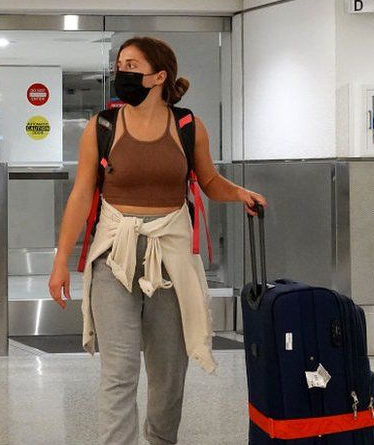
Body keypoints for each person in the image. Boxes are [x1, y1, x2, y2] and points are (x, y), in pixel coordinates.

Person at [48, 37, 267, 445]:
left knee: (169, 371)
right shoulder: (103, 127)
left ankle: (161, 440)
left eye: (132, 65)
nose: (122, 73)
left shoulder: (187, 126)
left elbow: (209, 181)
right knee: (119, 368)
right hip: (114, 255)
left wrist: (239, 193)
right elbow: (81, 194)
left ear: (159, 75)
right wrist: (62, 259)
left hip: (170, 257)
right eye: (119, 65)